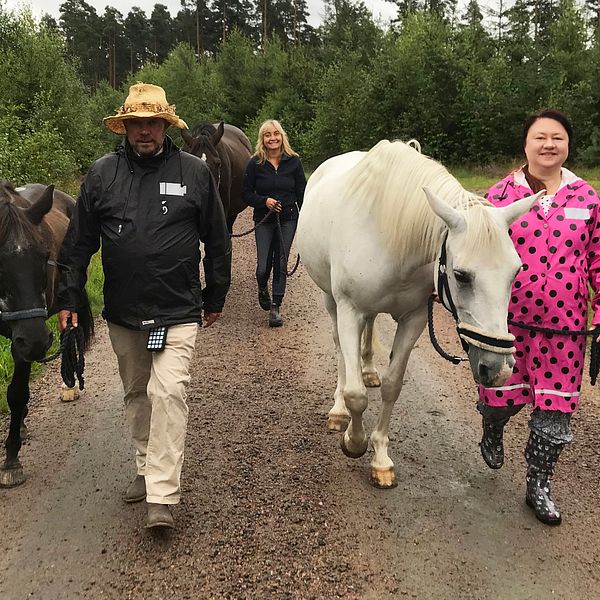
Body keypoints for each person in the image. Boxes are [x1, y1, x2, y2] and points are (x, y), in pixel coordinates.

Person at [56, 83, 231, 530]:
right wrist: (70, 295)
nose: (145, 131)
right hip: (124, 310)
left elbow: (217, 236)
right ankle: (144, 464)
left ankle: (162, 495)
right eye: (137, 123)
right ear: (126, 127)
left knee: (168, 391)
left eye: (153, 122)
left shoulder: (194, 172)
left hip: (177, 308)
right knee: (137, 393)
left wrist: (216, 293)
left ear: (166, 125)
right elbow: (78, 245)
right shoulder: (100, 175)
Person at [478, 108, 600, 525]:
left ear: (568, 145)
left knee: (554, 413)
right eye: (540, 137)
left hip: (566, 328)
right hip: (508, 326)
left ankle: (539, 484)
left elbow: (598, 260)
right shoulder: (498, 197)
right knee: (500, 399)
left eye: (558, 138)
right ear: (526, 144)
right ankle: (492, 427)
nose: (549, 145)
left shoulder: (587, 197)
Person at [242, 119, 306, 327]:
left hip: (288, 218)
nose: (272, 138)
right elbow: (246, 194)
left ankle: (276, 306)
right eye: (268, 135)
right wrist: (264, 201)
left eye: (275, 134)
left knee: (281, 262)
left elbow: (302, 193)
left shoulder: (294, 162)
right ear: (262, 139)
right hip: (264, 219)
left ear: (282, 136)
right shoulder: (255, 164)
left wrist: (305, 218)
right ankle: (262, 286)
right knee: (263, 266)